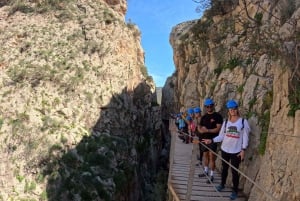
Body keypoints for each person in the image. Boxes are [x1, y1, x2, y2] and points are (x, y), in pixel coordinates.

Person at [202, 100, 250, 200]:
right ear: (228, 111)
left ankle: (235, 191)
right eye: (230, 109)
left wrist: (243, 150)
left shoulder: (243, 122)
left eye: (234, 109)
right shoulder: (226, 122)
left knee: (234, 171)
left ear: (237, 109)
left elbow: (245, 137)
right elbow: (221, 137)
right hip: (225, 149)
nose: (232, 111)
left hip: (236, 151)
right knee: (224, 169)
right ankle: (222, 184)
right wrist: (211, 140)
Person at [197, 98, 223, 184]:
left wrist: (207, 130)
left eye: (210, 106)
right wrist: (202, 131)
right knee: (205, 156)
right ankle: (206, 171)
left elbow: (218, 129)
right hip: (204, 139)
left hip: (212, 140)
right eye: (207, 106)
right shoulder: (204, 117)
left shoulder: (217, 116)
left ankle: (212, 175)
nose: (209, 108)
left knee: (212, 157)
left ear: (213, 106)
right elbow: (200, 128)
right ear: (205, 107)